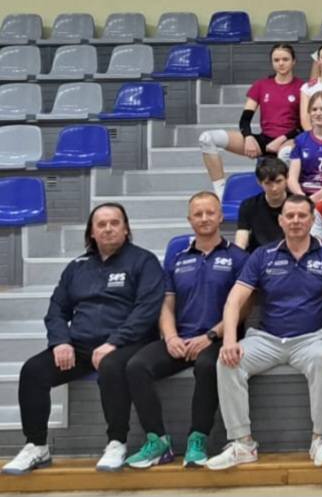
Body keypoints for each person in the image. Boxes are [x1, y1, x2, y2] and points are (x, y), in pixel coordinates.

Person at [3, 204, 163, 475]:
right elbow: (56, 310)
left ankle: (116, 442)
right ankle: (36, 446)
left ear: (126, 229)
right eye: (101, 224)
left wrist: (114, 342)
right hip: (80, 345)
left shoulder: (144, 261)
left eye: (115, 223)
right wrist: (60, 341)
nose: (108, 229)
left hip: (127, 343)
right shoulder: (77, 267)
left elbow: (147, 310)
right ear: (91, 232)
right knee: (32, 371)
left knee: (111, 366)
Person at [207, 194, 322, 470]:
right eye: (290, 216)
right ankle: (242, 443)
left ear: (312, 220)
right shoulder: (262, 255)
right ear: (281, 221)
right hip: (267, 339)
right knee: (228, 361)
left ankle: (320, 439)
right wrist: (229, 340)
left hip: (313, 338)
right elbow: (234, 301)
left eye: (302, 216)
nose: (296, 221)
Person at [120, 193, 248, 469]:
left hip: (216, 338)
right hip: (180, 338)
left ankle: (197, 438)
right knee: (136, 366)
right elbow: (166, 304)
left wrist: (210, 336)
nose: (204, 218)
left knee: (207, 366)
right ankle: (158, 441)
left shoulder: (238, 257)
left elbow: (243, 307)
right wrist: (171, 337)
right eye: (198, 214)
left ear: (221, 216)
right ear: (189, 220)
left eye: (210, 213)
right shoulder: (176, 259)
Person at [200, 44, 301, 198]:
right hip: (264, 139)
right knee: (207, 138)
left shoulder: (302, 87)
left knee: (285, 152)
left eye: (285, 59)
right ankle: (221, 192)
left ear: (293, 61)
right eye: (276, 60)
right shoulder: (261, 85)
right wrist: (248, 137)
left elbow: (303, 125)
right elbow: (245, 119)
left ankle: (285, 196)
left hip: (290, 139)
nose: (281, 63)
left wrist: (282, 139)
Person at [234, 157, 290, 251]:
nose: (274, 188)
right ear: (259, 183)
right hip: (258, 255)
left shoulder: (299, 205)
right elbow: (241, 240)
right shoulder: (248, 205)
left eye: (278, 181)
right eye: (268, 183)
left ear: (287, 178)